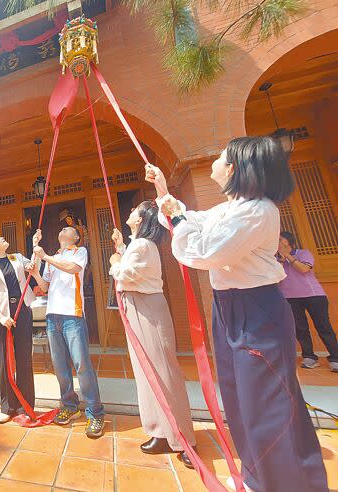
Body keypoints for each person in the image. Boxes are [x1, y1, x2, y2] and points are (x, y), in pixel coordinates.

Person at [147, 136, 328, 492]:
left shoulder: (259, 211)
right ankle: (256, 476)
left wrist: (179, 217)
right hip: (228, 306)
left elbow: (203, 251)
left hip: (257, 308)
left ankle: (281, 483)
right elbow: (192, 220)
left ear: (232, 169)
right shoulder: (230, 209)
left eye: (221, 157)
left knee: (265, 406)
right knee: (240, 399)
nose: (215, 160)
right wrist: (165, 192)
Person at [109, 202, 196, 468]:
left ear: (142, 218)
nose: (130, 211)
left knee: (163, 371)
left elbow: (127, 274)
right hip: (137, 305)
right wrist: (121, 248)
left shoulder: (144, 245)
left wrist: (114, 261)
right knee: (146, 372)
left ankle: (184, 440)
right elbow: (132, 267)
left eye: (134, 209)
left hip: (146, 306)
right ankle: (160, 431)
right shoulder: (139, 244)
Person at [32, 226, 105, 438]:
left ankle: (95, 412)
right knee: (60, 366)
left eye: (68, 229)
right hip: (52, 315)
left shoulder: (79, 252)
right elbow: (44, 287)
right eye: (61, 228)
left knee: (82, 365)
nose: (63, 230)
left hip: (73, 315)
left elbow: (73, 269)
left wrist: (44, 256)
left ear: (76, 237)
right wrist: (36, 271)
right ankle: (70, 405)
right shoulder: (53, 257)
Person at [0, 233, 37, 424]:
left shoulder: (18, 257)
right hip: (1, 317)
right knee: (6, 362)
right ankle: (8, 406)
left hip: (22, 311)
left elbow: (34, 266)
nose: (3, 237)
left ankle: (26, 406)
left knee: (24, 359)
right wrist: (1, 316)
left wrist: (34, 248)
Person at [278, 231, 338, 372]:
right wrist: (280, 261)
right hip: (290, 298)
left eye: (280, 239)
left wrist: (288, 256)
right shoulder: (276, 260)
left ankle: (335, 358)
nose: (278, 242)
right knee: (300, 328)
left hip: (314, 295)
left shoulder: (303, 253)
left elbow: (304, 269)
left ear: (289, 241)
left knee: (323, 327)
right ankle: (309, 357)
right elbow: (277, 279)